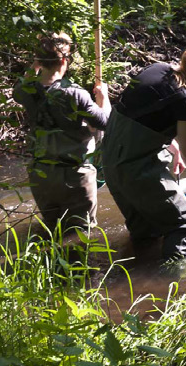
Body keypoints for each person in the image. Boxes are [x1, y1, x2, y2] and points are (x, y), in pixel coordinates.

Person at [99, 45, 186, 262]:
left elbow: (141, 118)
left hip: (110, 164)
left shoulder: (156, 69)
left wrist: (171, 145)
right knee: (184, 223)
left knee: (145, 229)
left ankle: (136, 277)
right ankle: (174, 285)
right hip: (136, 171)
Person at [12, 33, 110, 233]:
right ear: (65, 60)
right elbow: (105, 122)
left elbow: (19, 88)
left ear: (38, 60)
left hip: (41, 174)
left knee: (52, 230)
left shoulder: (27, 91)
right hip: (74, 176)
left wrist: (35, 66)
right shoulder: (74, 93)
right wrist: (104, 97)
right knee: (80, 234)